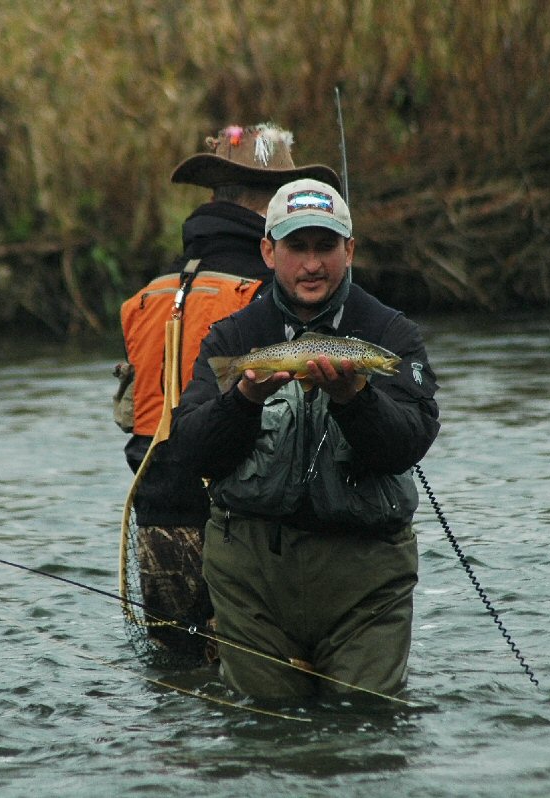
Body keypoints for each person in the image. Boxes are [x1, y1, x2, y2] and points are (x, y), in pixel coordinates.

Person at [169, 178, 440, 700]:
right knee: (265, 730)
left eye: (325, 247)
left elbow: (411, 440)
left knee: (365, 722)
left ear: (350, 250)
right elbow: (191, 450)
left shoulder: (390, 335)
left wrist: (354, 399)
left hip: (365, 575)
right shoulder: (233, 337)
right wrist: (243, 400)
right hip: (252, 574)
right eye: (297, 247)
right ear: (269, 252)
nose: (312, 264)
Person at [117, 124, 342, 664]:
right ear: (267, 207)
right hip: (237, 528)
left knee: (178, 689)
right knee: (260, 687)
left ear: (216, 196)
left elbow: (131, 416)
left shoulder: (147, 296)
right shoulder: (270, 296)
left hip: (157, 521)